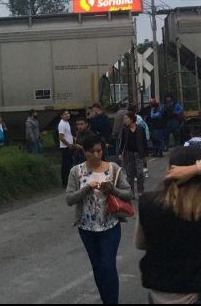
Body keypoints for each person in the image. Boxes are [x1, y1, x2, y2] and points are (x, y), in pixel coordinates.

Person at [136, 148, 201, 304]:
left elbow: (140, 243)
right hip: (198, 293)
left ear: (171, 169)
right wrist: (195, 169)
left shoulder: (147, 202)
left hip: (159, 293)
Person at [66, 134, 134, 304]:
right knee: (97, 267)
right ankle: (106, 300)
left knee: (107, 265)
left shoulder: (113, 168)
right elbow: (70, 199)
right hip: (86, 228)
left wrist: (113, 190)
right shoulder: (76, 171)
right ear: (84, 152)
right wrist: (86, 189)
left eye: (99, 151)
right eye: (91, 151)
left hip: (110, 226)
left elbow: (129, 193)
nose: (96, 155)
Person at [119, 111, 147, 198]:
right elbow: (122, 142)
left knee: (140, 173)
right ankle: (131, 192)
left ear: (131, 119)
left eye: (126, 118)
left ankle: (140, 191)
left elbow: (144, 142)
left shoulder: (140, 129)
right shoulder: (125, 129)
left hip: (139, 154)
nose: (125, 120)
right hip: (128, 154)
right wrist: (120, 153)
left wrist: (146, 154)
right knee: (130, 174)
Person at [58, 110, 75, 187]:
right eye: (65, 114)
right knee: (66, 165)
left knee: (69, 164)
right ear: (61, 116)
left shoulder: (66, 122)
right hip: (65, 147)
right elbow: (61, 137)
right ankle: (65, 182)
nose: (67, 115)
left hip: (68, 147)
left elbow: (68, 134)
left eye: (68, 113)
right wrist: (68, 144)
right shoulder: (62, 124)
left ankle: (67, 181)